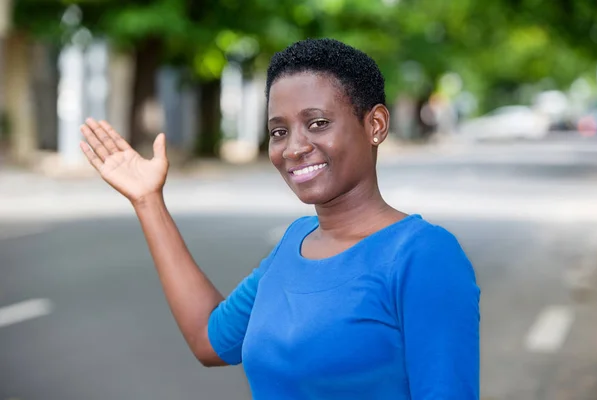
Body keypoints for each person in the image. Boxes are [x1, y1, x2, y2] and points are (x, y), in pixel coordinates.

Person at [79, 38, 480, 399]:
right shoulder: (297, 241)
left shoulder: (423, 255)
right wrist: (148, 201)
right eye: (278, 131)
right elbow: (210, 339)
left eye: (318, 123)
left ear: (374, 125)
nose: (293, 148)